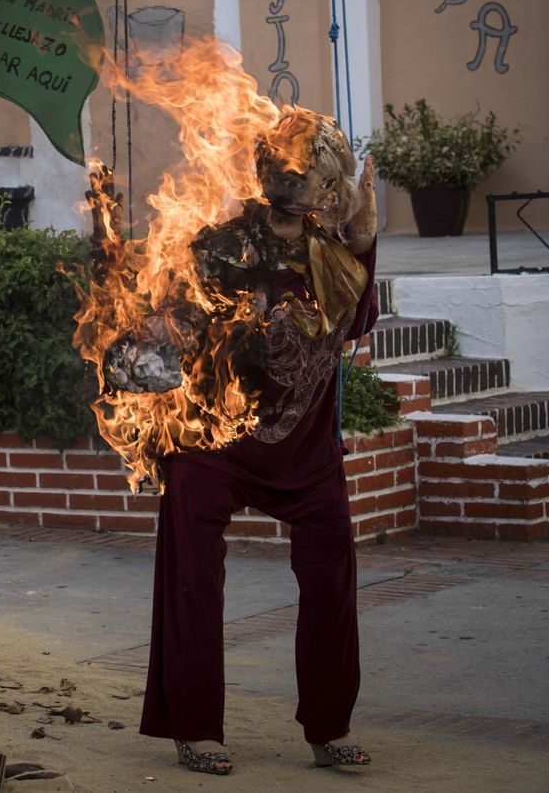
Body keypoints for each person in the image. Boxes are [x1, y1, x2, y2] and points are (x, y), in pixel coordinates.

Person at [138, 109, 379, 776]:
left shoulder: (337, 253)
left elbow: (357, 317)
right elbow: (174, 326)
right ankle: (193, 725)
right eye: (292, 168)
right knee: (191, 569)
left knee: (331, 573)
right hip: (216, 442)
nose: (304, 183)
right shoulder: (220, 246)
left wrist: (362, 234)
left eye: (320, 176)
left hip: (303, 448)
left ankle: (329, 726)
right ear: (267, 170)